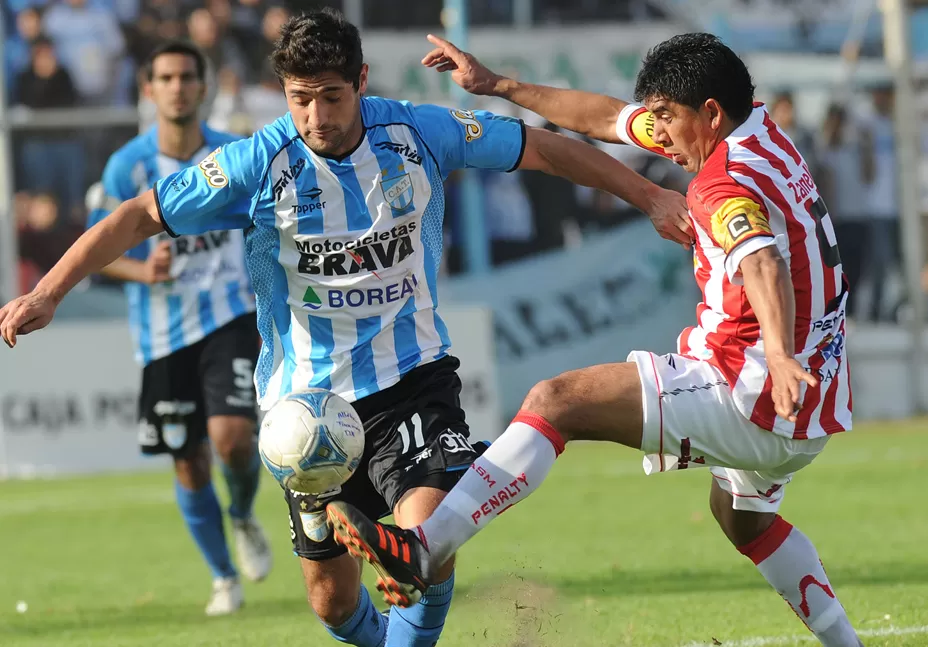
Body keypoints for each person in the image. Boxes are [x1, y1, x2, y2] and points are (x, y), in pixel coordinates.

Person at [0, 10, 690, 647]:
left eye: (331, 96)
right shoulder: (255, 163)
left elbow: (542, 150)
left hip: (412, 380)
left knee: (426, 542)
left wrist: (651, 193)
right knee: (332, 603)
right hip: (306, 409)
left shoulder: (421, 132)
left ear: (361, 81)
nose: (316, 115)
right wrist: (49, 289)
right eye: (300, 98)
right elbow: (138, 215)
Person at [324, 33, 865, 647]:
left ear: (710, 113)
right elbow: (606, 117)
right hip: (812, 405)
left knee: (558, 401)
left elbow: (761, 259)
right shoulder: (766, 139)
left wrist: (776, 354)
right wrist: (499, 86)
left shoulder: (720, 181)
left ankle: (426, 549)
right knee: (741, 519)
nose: (659, 136)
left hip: (752, 389)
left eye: (668, 120)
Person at [85, 41, 271, 616]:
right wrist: (144, 268)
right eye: (165, 77)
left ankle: (241, 513)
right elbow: (97, 248)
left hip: (232, 317)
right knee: (188, 459)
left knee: (233, 440)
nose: (177, 87)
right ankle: (223, 578)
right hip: (163, 332)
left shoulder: (234, 154)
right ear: (148, 89)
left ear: (203, 85)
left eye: (187, 76)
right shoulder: (127, 166)